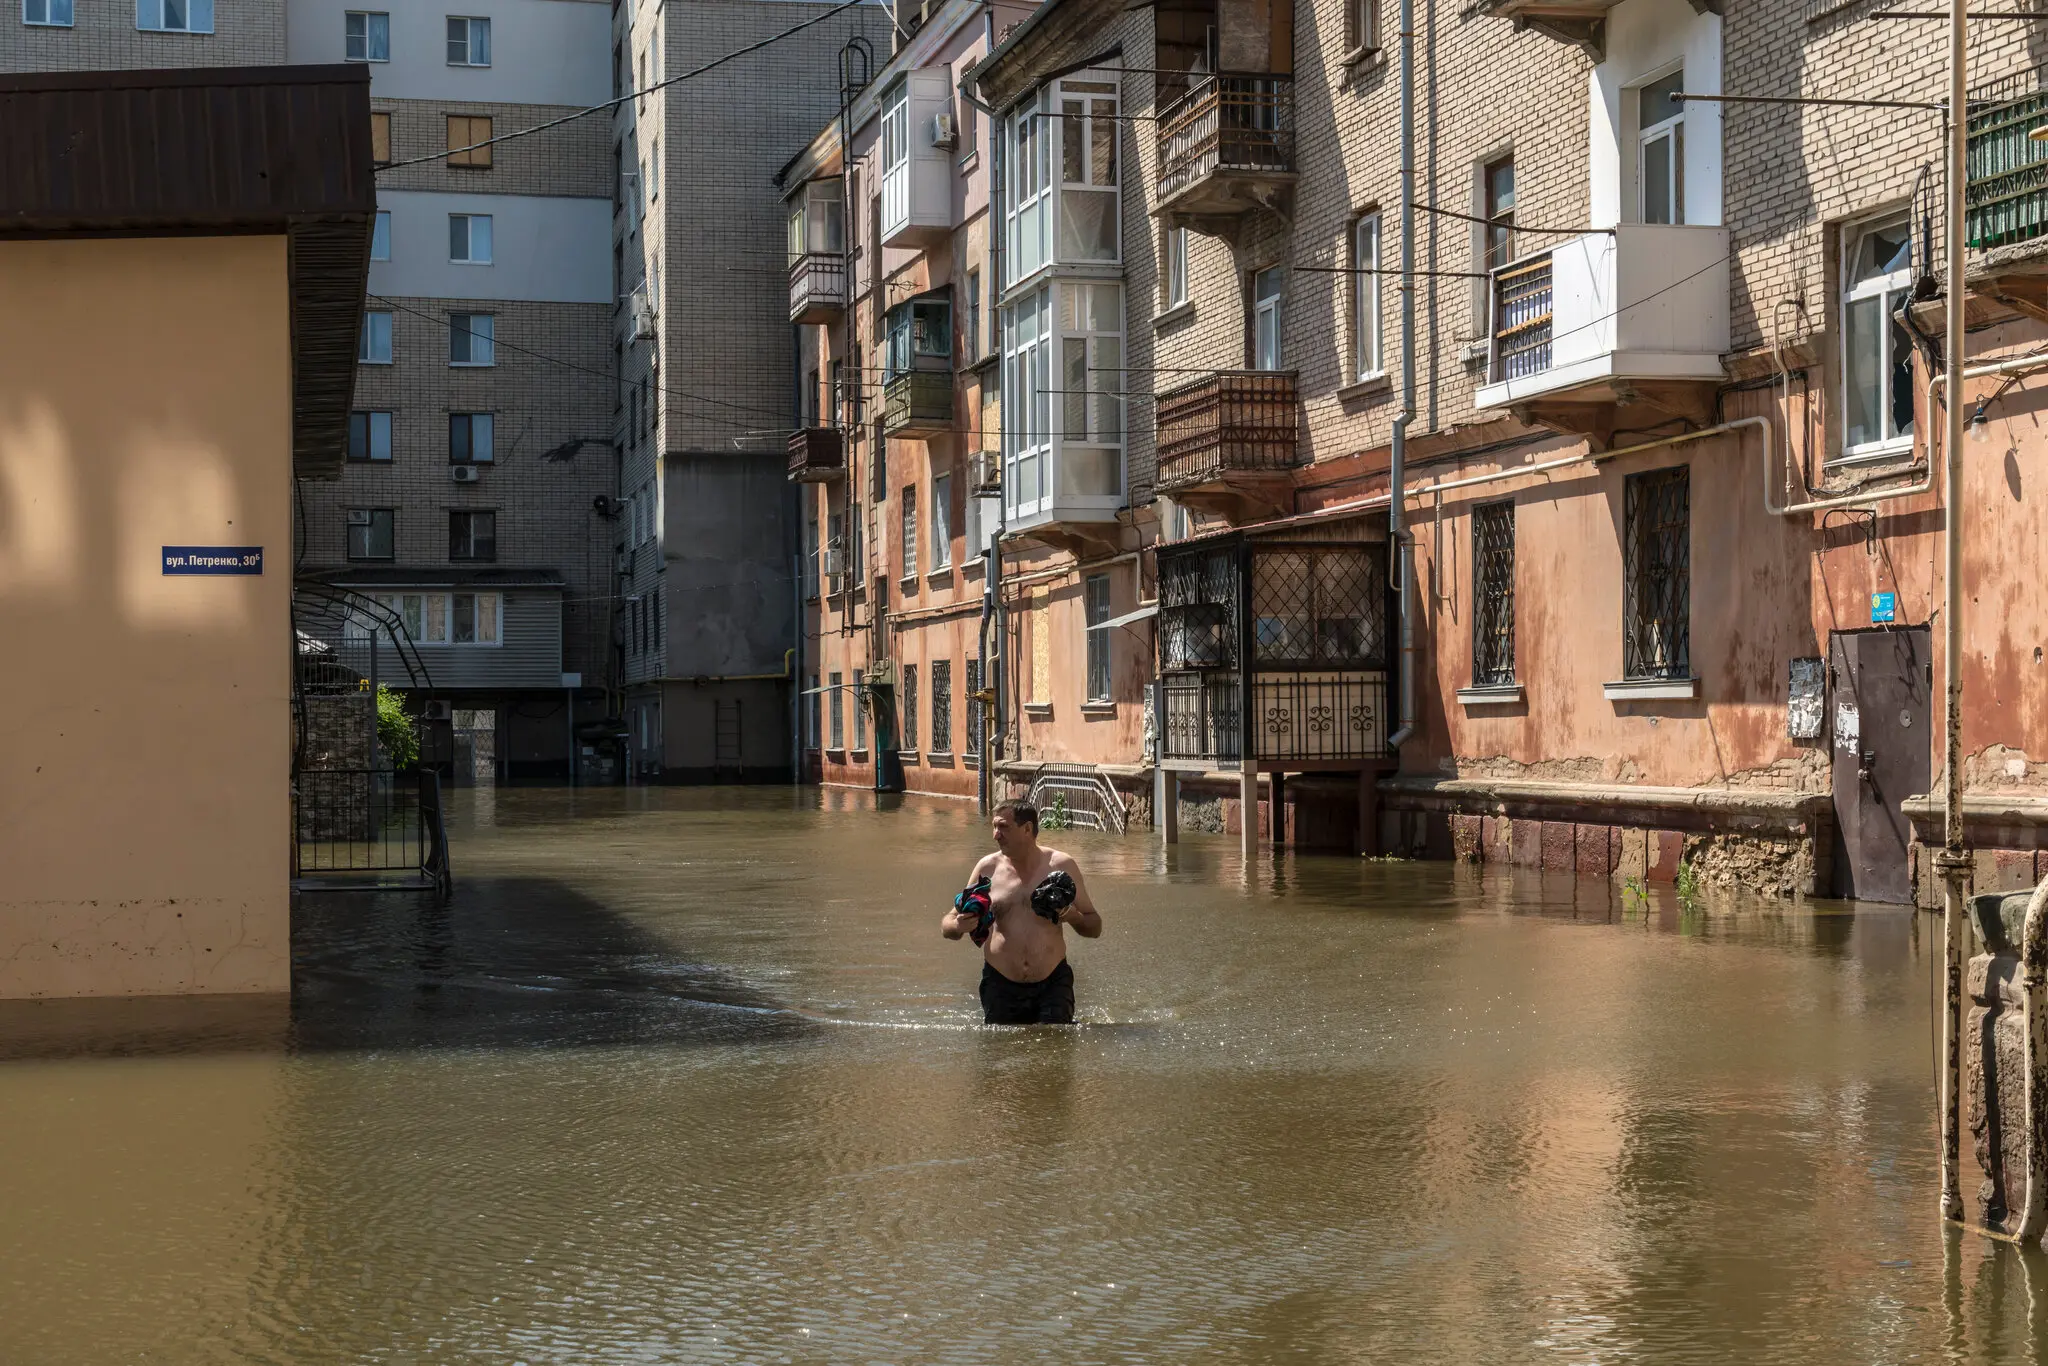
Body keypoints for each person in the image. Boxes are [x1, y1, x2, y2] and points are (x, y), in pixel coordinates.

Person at [941, 799, 1102, 1024]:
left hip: (1052, 983)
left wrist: (1069, 914)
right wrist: (958, 926)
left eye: (1003, 827)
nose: (996, 835)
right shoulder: (988, 869)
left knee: (1055, 1049)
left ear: (1027, 829)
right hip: (1000, 984)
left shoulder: (1061, 866)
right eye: (994, 827)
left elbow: (1095, 926)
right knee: (1002, 1054)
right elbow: (947, 923)